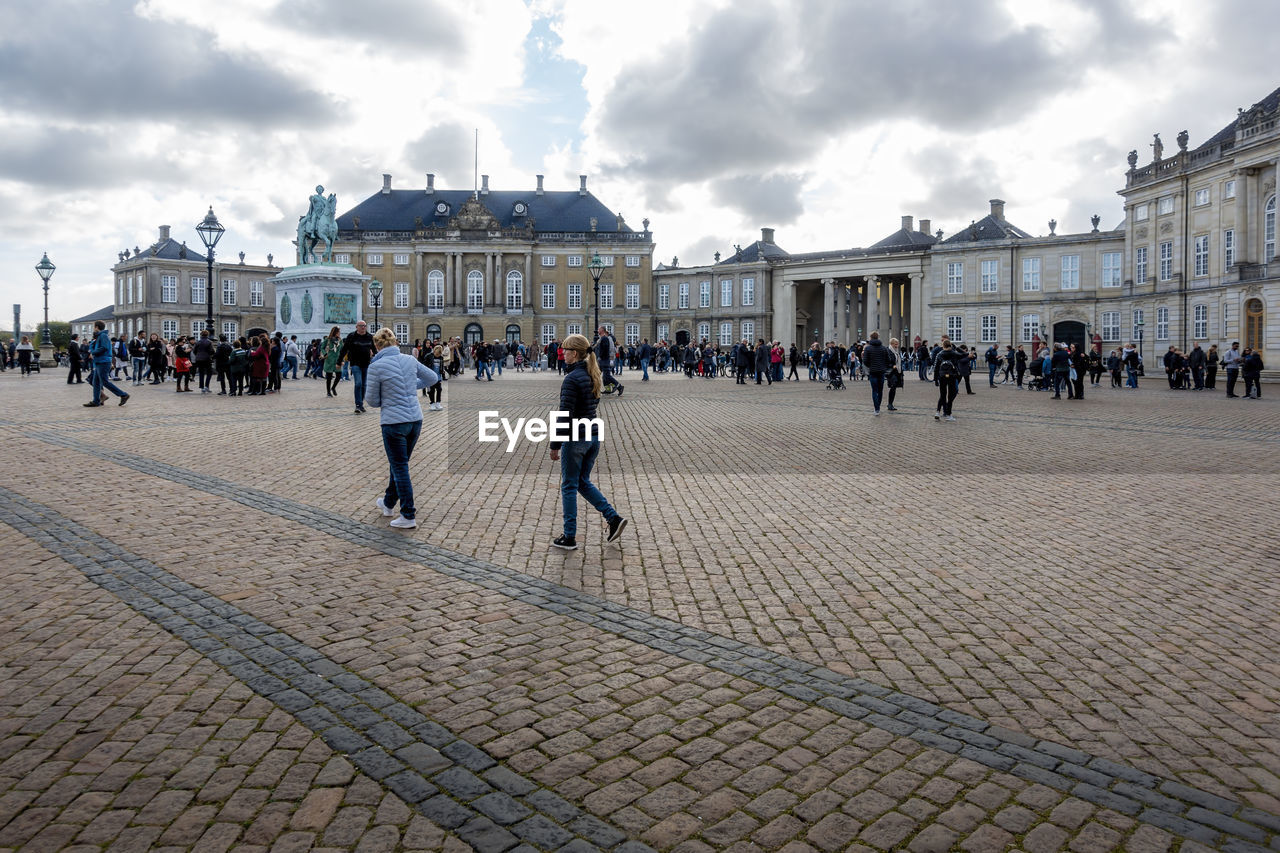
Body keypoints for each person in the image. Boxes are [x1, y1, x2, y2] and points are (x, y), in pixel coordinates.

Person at [549, 333, 627, 551]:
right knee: (582, 481)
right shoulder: (593, 374)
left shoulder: (572, 379)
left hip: (576, 439)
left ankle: (569, 536)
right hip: (593, 436)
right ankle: (613, 518)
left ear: (575, 354)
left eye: (565, 350)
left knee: (569, 485)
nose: (563, 354)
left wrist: (555, 445)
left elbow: (564, 415)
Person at [366, 327, 438, 529]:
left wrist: (392, 393)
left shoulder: (376, 366)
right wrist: (408, 386)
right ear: (395, 342)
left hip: (393, 422)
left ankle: (408, 514)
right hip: (415, 420)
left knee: (399, 466)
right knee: (398, 464)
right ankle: (388, 504)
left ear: (377, 345)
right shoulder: (409, 359)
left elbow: (371, 400)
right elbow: (432, 378)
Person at [85, 320, 129, 407]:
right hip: (99, 361)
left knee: (104, 381)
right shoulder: (99, 336)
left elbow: (104, 348)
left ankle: (123, 395)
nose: (94, 329)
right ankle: (96, 401)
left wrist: (93, 352)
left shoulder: (103, 336)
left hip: (103, 361)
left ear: (97, 327)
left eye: (94, 327)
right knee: (96, 382)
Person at [339, 321, 376, 412]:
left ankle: (361, 403)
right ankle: (358, 404)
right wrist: (339, 361)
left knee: (364, 385)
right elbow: (344, 349)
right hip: (355, 363)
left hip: (366, 363)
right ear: (357, 327)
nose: (363, 327)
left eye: (364, 326)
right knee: (358, 383)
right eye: (361, 326)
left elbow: (374, 350)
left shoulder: (369, 337)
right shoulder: (351, 336)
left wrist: (376, 358)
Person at [861, 331, 894, 415]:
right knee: (880, 390)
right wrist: (883, 366)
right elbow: (888, 360)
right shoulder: (884, 348)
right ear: (878, 337)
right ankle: (878, 405)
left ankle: (877, 409)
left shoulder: (868, 348)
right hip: (881, 372)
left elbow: (865, 361)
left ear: (871, 338)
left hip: (873, 372)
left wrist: (870, 366)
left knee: (874, 390)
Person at [932, 341, 961, 421]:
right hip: (952, 375)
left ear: (943, 346)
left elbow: (936, 367)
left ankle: (938, 411)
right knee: (951, 395)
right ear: (950, 345)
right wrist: (958, 348)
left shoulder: (940, 354)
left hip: (942, 376)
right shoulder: (953, 353)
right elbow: (963, 355)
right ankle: (949, 414)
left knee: (942, 394)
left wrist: (935, 379)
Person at [596, 326, 623, 395]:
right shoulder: (602, 338)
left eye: (599, 329)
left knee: (606, 376)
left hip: (604, 359)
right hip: (602, 359)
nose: (597, 330)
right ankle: (608, 389)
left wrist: (602, 357)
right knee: (603, 376)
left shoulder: (606, 338)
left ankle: (618, 386)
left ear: (602, 330)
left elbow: (609, 349)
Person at [322, 326, 343, 397]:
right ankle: (328, 392)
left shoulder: (340, 340)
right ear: (335, 332)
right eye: (338, 332)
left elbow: (342, 351)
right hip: (329, 360)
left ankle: (333, 387)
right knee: (329, 377)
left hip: (337, 360)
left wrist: (342, 360)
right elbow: (322, 347)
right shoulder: (328, 340)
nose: (339, 333)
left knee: (339, 375)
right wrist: (325, 353)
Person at [192, 329, 215, 394]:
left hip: (199, 359)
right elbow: (211, 351)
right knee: (209, 373)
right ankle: (206, 386)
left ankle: (202, 387)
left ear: (201, 335)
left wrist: (198, 355)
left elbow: (194, 351)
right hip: (207, 359)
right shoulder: (209, 342)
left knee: (201, 373)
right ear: (207, 335)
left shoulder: (198, 342)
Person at [885, 337, 903, 411]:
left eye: (897, 344)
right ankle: (890, 404)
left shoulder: (896, 351)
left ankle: (890, 403)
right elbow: (886, 361)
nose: (897, 345)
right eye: (896, 344)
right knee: (893, 386)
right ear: (891, 344)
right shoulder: (888, 351)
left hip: (896, 371)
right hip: (891, 372)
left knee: (894, 387)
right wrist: (892, 365)